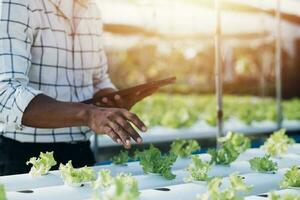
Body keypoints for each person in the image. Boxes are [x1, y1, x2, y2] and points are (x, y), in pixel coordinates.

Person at [0, 0, 155, 175]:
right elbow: (6, 93)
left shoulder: (90, 9)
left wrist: (113, 99)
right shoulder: (17, 3)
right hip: (26, 160)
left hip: (81, 154)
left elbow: (98, 79)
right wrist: (88, 114)